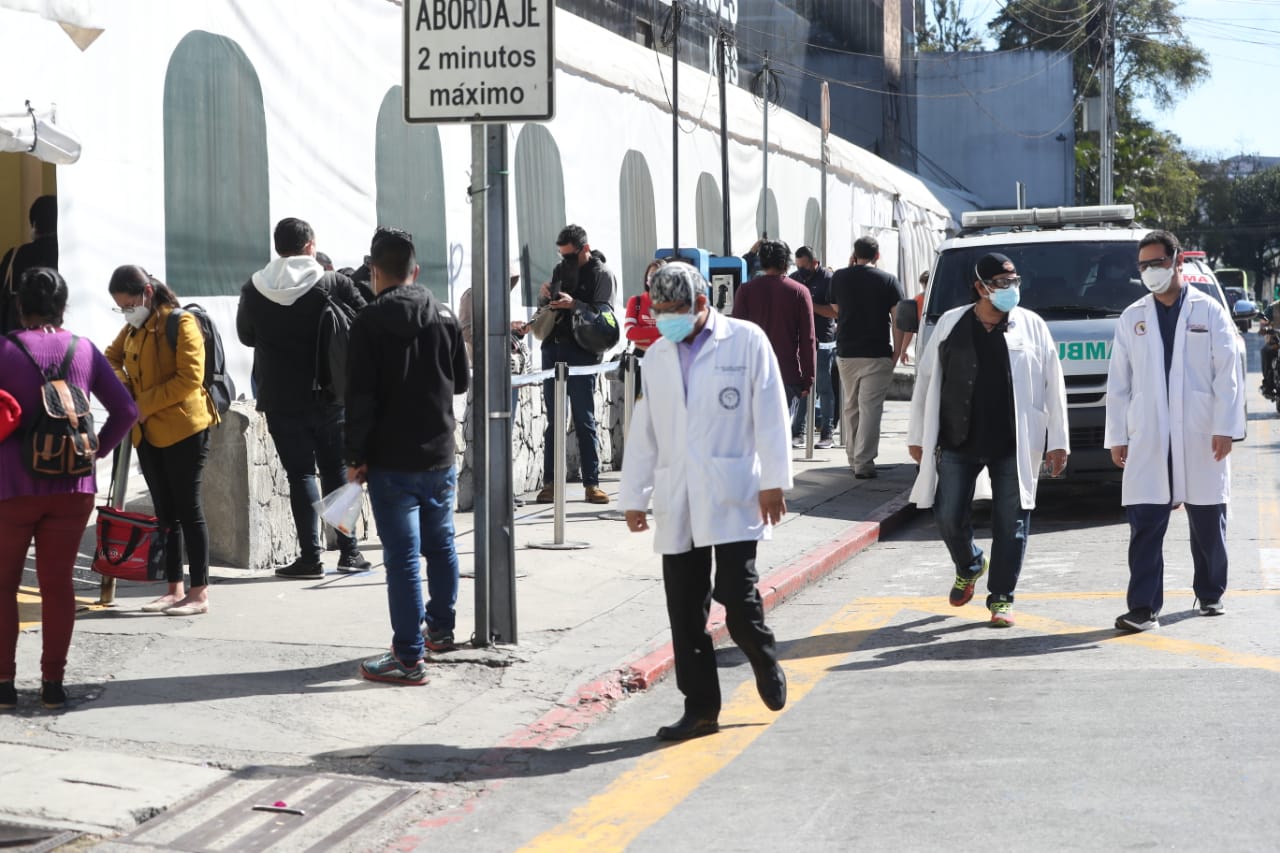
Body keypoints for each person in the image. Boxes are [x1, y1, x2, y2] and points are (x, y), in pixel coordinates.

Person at [620, 263, 790, 741]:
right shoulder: (656, 356)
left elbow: (771, 411)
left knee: (737, 597)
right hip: (679, 496)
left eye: (675, 311)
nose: (667, 320)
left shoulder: (746, 340)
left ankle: (762, 655)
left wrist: (774, 481)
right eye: (660, 312)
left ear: (701, 304)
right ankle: (700, 709)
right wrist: (635, 496)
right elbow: (646, 431)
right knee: (685, 610)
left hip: (734, 489)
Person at [907, 253, 1069, 627]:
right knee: (947, 514)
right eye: (1001, 283)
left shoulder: (1032, 326)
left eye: (1014, 281)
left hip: (1014, 441)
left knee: (1012, 519)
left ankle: (1001, 598)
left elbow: (1052, 383)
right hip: (958, 437)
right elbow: (927, 380)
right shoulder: (951, 323)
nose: (1010, 289)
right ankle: (970, 563)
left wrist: (1058, 441)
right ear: (980, 287)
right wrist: (917, 435)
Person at [0, 268, 135, 710]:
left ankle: (4, 685)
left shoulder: (5, 349)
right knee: (58, 587)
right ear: (63, 305)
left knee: (3, 586)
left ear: (21, 305)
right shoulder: (84, 350)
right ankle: (53, 685)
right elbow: (126, 411)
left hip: (12, 487)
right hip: (74, 487)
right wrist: (95, 454)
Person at [344, 228, 469, 683]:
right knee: (442, 546)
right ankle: (440, 630)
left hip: (389, 460)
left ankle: (409, 657)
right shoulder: (444, 315)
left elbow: (358, 398)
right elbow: (460, 382)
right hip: (439, 453)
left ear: (375, 272)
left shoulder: (368, 322)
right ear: (415, 271)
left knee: (402, 559)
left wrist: (355, 456)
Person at [1105, 231, 1245, 632]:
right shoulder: (1133, 318)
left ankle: (1211, 590)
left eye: (1157, 263)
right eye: (1144, 266)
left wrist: (1225, 428)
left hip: (1200, 432)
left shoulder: (1209, 312)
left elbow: (1228, 375)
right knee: (1145, 521)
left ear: (1176, 261)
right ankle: (1144, 608)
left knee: (1207, 519)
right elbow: (1119, 383)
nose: (1151, 272)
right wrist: (1117, 435)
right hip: (1149, 436)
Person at [236, 217, 369, 579]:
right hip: (331, 395)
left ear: (277, 248)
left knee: (300, 476)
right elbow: (364, 323)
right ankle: (349, 552)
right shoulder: (334, 282)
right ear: (310, 245)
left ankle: (310, 558)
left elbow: (246, 336)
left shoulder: (254, 287)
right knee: (335, 473)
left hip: (280, 397)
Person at [105, 266, 219, 616]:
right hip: (148, 431)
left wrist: (141, 404)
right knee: (165, 512)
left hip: (185, 429)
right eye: (121, 308)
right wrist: (125, 391)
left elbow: (189, 378)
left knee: (189, 508)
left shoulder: (180, 322)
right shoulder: (134, 328)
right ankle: (174, 588)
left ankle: (199, 593)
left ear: (146, 293)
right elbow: (109, 359)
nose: (127, 312)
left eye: (129, 304)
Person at [534, 224, 617, 505]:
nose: (565, 261)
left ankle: (591, 483)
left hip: (583, 352)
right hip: (554, 348)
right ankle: (550, 483)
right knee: (553, 419)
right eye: (561, 256)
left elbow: (604, 315)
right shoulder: (560, 271)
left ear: (585, 248)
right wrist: (545, 296)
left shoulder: (602, 274)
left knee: (584, 418)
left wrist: (576, 306)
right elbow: (546, 308)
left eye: (569, 255)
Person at [830, 236, 906, 479]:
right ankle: (863, 462)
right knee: (870, 408)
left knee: (851, 406)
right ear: (878, 255)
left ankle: (852, 458)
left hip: (846, 352)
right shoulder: (888, 280)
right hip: (876, 351)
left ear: (855, 254)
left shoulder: (840, 277)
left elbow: (835, 309)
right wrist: (897, 350)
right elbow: (898, 318)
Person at [731, 239, 816, 419]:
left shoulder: (745, 291)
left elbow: (737, 336)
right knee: (781, 436)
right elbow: (807, 338)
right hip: (787, 374)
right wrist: (808, 378)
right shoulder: (800, 292)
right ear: (786, 262)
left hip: (752, 374)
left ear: (761, 262)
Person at [789, 246, 836, 448]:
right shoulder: (794, 278)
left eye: (805, 266)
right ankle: (797, 431)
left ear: (815, 262)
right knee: (802, 388)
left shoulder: (828, 279)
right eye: (798, 266)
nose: (801, 270)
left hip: (823, 340)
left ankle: (827, 432)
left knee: (824, 388)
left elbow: (835, 312)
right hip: (800, 341)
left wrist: (808, 304)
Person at [0, 196, 59, 334]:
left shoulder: (14, 256)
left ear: (34, 224)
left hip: (17, 343)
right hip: (62, 344)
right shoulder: (69, 255)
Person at [622, 257, 667, 399]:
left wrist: (644, 332)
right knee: (637, 406)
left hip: (666, 358)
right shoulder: (636, 301)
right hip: (639, 358)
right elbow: (630, 333)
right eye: (651, 275)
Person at [899, 270, 929, 366]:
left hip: (924, 342)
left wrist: (903, 350)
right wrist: (903, 350)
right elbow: (910, 328)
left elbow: (909, 329)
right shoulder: (948, 297)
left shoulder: (918, 300)